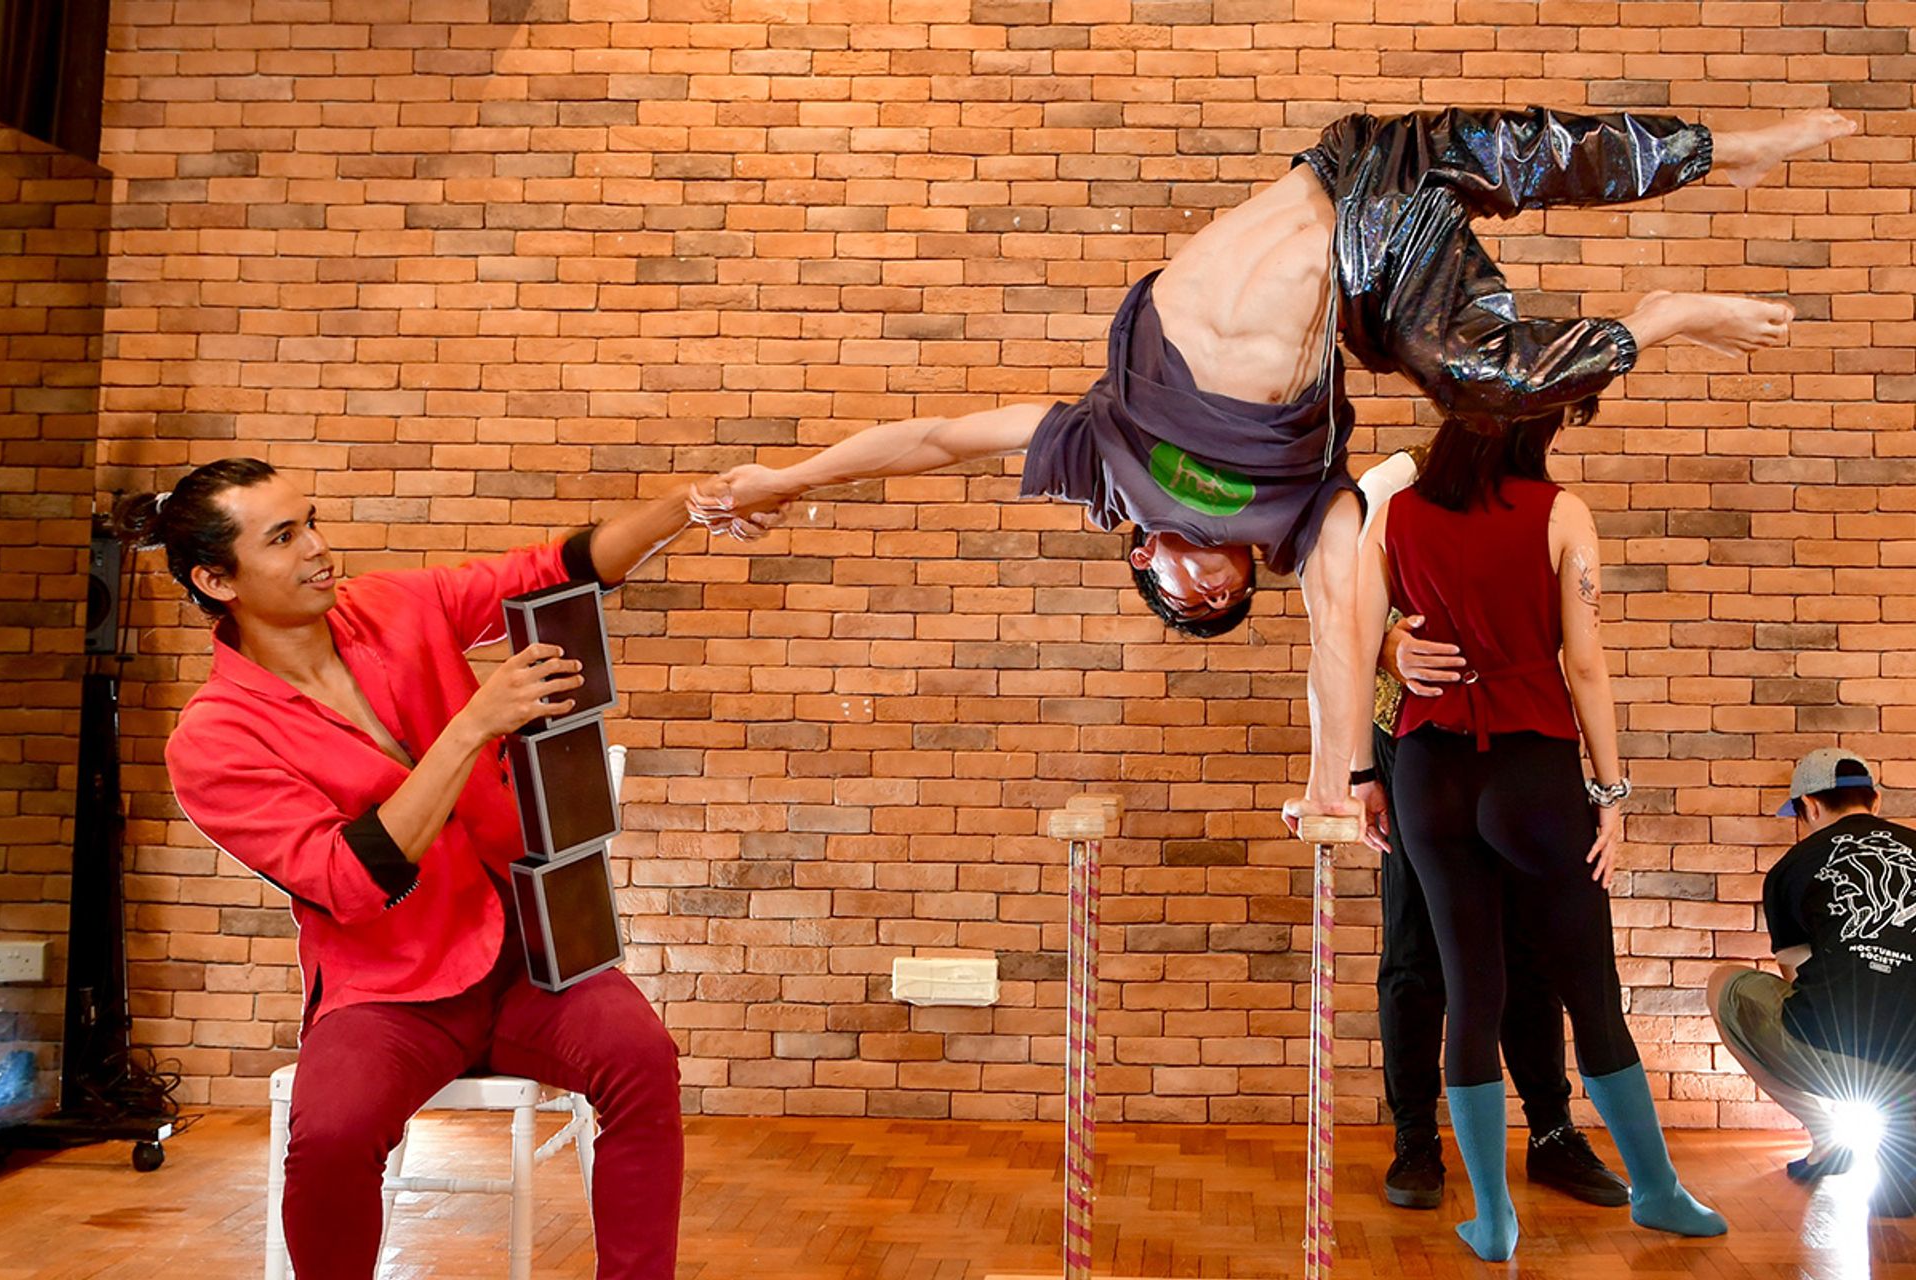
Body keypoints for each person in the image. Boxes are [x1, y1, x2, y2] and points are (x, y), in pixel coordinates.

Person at [691, 106, 1848, 827]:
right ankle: (1662, 313)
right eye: (1229, 597)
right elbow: (1340, 633)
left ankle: (1728, 149)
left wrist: (781, 479)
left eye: (1188, 597)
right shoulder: (1305, 519)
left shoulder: (1099, 455)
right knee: (1488, 378)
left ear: (1142, 553)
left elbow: (934, 441)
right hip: (1373, 266)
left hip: (1349, 165)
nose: (1215, 587)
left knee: (1542, 167)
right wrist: (1340, 773)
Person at [116, 457, 776, 1279]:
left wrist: (689, 503)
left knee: (642, 1060)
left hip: (533, 962)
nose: (321, 549)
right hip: (387, 992)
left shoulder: (394, 605)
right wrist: (471, 726)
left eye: (313, 520)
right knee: (330, 1136)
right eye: (285, 538)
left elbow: (562, 566)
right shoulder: (214, 740)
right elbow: (355, 881)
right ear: (217, 579)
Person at [1348, 408, 1724, 1260]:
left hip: (1427, 776)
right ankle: (1658, 1190)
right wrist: (1611, 791)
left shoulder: (1396, 515)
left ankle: (1492, 1217)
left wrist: (1360, 773)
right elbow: (1583, 662)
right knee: (1589, 992)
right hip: (1533, 770)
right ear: (1531, 433)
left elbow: (1353, 641)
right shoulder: (1560, 512)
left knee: (1470, 996)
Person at [1359, 451, 1627, 1212]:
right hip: (1410, 741)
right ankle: (1417, 1139)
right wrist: (1390, 653)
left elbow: (1572, 647)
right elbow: (1344, 623)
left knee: (1526, 946)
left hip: (1517, 746)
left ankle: (1550, 1131)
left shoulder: (1535, 498)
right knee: (1417, 952)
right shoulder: (1392, 490)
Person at [1707, 749, 1916, 1218]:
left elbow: (1798, 980)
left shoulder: (1791, 868)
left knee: (1725, 985)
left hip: (1837, 1054)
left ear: (1810, 807)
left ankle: (1827, 1138)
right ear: (1875, 801)